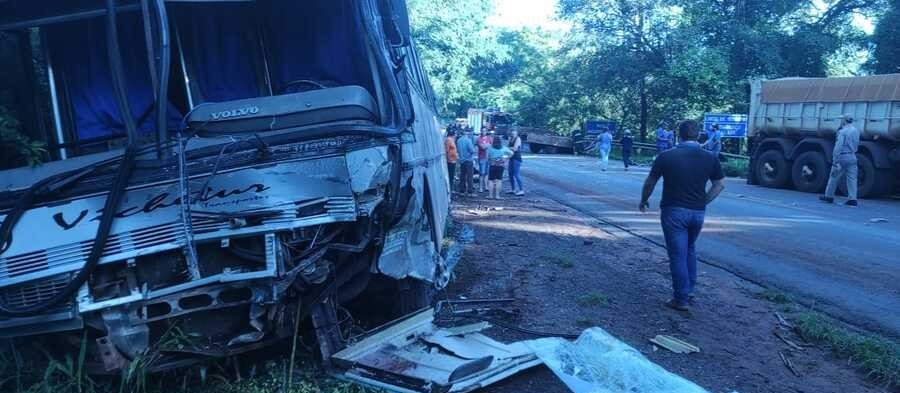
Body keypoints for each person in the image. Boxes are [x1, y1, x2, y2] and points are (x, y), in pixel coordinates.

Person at [639, 120, 726, 311]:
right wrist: (703, 201)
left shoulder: (666, 156)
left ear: (679, 135)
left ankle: (681, 299)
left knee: (677, 254)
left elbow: (650, 182)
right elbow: (719, 184)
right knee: (690, 249)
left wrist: (644, 200)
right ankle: (689, 290)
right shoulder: (710, 157)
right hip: (698, 213)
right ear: (698, 136)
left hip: (674, 212)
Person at [820, 114, 860, 206]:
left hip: (842, 156)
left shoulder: (842, 132)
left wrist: (835, 161)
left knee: (834, 176)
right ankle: (852, 199)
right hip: (852, 156)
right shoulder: (856, 131)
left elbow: (838, 147)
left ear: (844, 121)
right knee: (852, 178)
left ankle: (829, 196)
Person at [456, 127, 477, 195]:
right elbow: (472, 151)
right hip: (468, 160)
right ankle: (470, 191)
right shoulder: (468, 140)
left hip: (462, 160)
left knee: (462, 175)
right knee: (469, 176)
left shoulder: (458, 140)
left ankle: (462, 190)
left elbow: (458, 150)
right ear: (466, 132)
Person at [507, 129, 524, 196]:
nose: (513, 134)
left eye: (514, 133)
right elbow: (510, 148)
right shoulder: (510, 139)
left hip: (516, 158)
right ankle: (513, 189)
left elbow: (515, 148)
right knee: (510, 174)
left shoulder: (518, 139)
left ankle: (521, 190)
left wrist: (509, 148)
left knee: (516, 174)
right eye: (512, 133)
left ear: (516, 133)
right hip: (511, 158)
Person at [477, 128, 493, 193]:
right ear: (481, 131)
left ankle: (486, 186)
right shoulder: (479, 139)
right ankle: (480, 187)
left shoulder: (489, 138)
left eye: (485, 131)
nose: (484, 132)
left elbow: (492, 146)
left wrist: (486, 145)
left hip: (488, 158)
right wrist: (488, 145)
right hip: (482, 158)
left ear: (486, 132)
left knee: (486, 173)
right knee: (481, 173)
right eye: (482, 131)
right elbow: (482, 147)